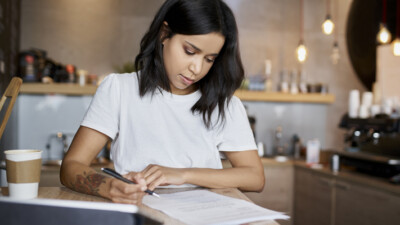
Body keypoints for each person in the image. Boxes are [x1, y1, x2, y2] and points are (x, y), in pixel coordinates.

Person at [60, 0, 265, 205]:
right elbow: (71, 166)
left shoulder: (224, 104)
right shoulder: (119, 89)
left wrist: (182, 175)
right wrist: (109, 187)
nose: (197, 68)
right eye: (190, 51)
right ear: (164, 34)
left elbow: (255, 178)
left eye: (209, 59)